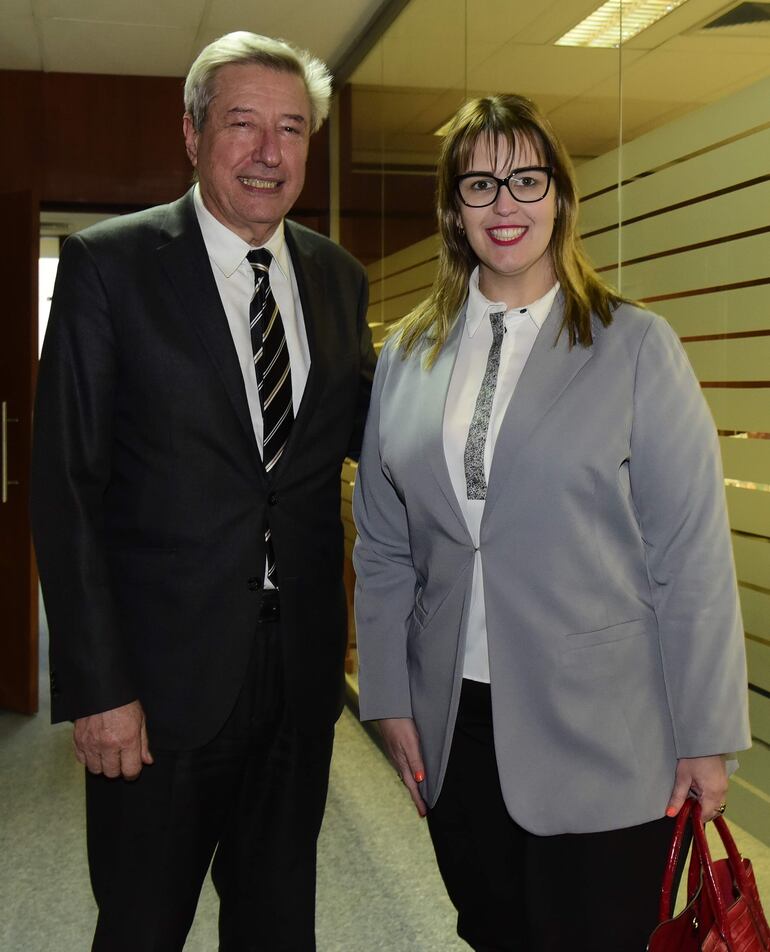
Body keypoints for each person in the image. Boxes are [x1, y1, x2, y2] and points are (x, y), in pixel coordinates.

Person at [352, 93, 751, 952]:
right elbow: (383, 545)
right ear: (453, 211)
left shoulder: (634, 345)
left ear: (561, 198)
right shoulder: (408, 357)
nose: (506, 205)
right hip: (457, 720)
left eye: (527, 180)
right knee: (492, 931)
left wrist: (707, 737)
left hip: (606, 727)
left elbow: (690, 557)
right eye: (480, 184)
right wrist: (387, 694)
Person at [31, 31, 375, 952]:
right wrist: (97, 686)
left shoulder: (339, 280)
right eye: (243, 125)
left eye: (293, 129)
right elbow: (66, 486)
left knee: (276, 925)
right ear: (191, 135)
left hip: (298, 676)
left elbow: (374, 448)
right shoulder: (111, 268)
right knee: (142, 925)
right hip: (157, 686)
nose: (270, 153)